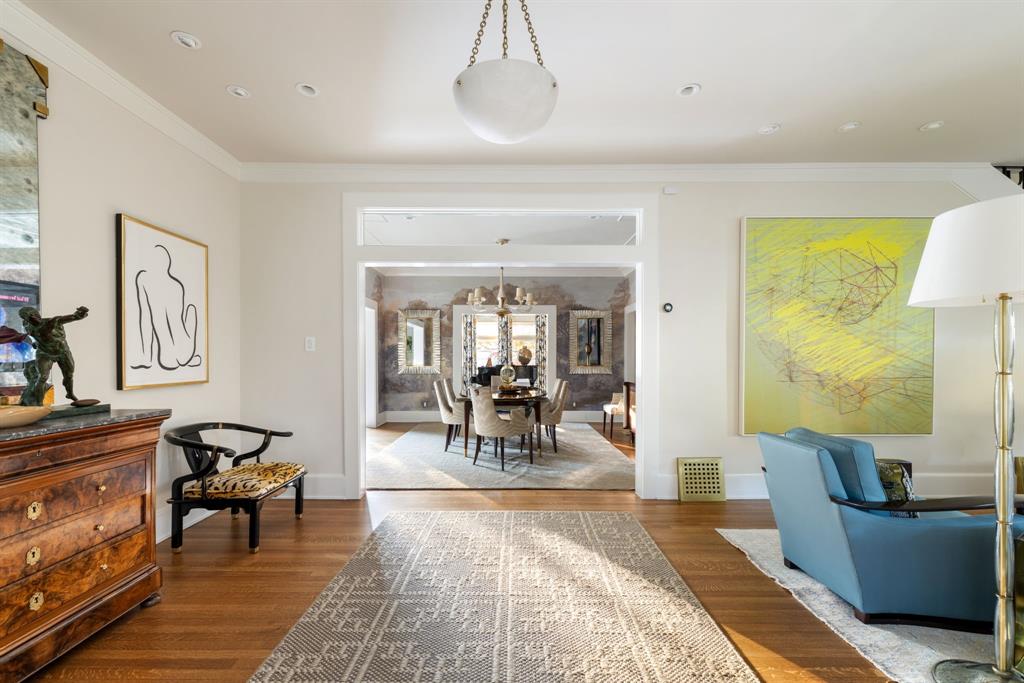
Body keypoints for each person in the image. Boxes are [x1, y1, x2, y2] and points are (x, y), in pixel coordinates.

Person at [19, 306, 88, 406]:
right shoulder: (27, 326)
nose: (33, 317)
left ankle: (70, 393)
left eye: (34, 314)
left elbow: (75, 317)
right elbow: (36, 337)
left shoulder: (53, 321)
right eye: (29, 317)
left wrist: (81, 313)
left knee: (69, 375)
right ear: (26, 319)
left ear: (38, 314)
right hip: (44, 353)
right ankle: (39, 404)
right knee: (42, 377)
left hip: (62, 352)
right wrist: (35, 343)